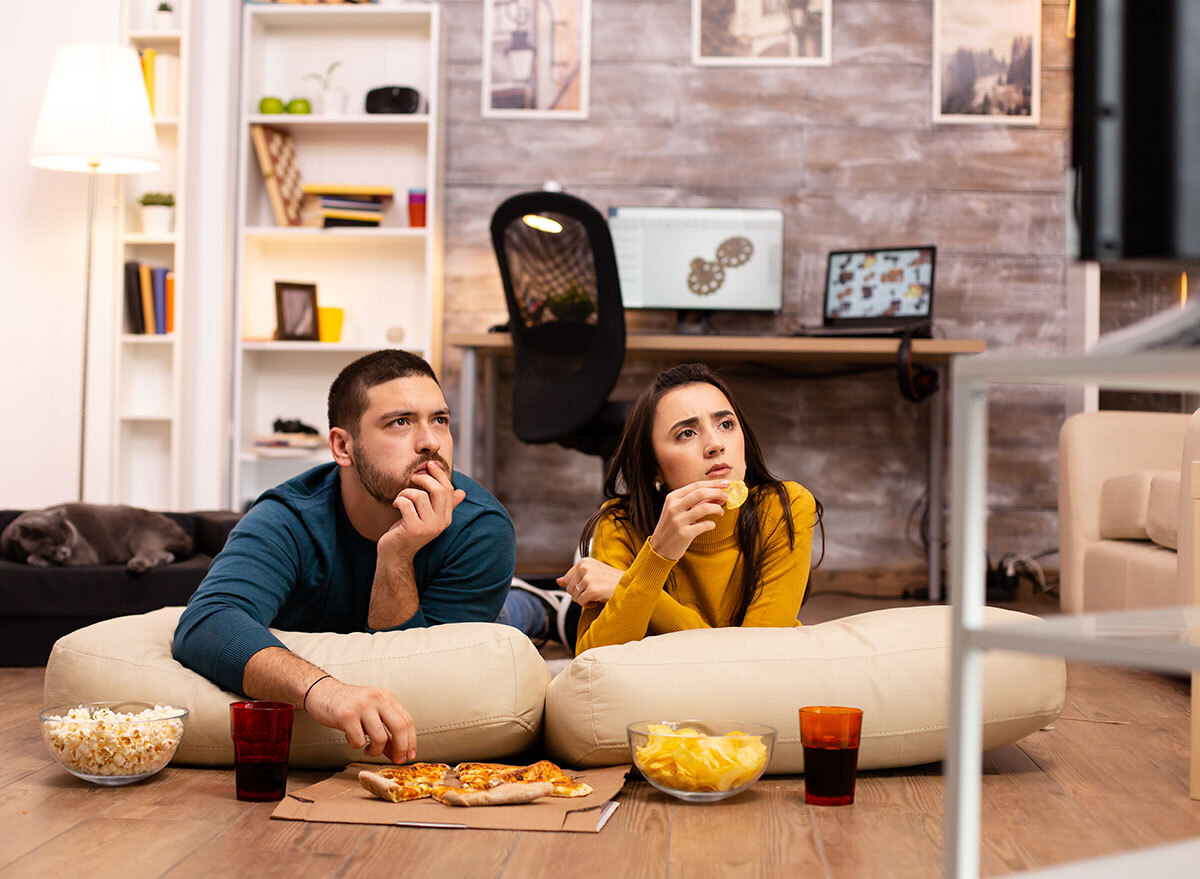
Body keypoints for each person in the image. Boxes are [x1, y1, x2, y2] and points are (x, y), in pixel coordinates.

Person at [173, 349, 544, 765]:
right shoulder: (287, 516)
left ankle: (539, 605)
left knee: (512, 623)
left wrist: (396, 558)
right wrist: (322, 690)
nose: (430, 441)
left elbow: (427, 678)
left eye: (439, 420)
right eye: (400, 422)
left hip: (457, 604)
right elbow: (207, 622)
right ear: (343, 446)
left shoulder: (480, 525)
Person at [556, 362, 824, 655]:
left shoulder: (786, 507)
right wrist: (659, 553)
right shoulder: (618, 523)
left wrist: (628, 585)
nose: (715, 444)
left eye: (726, 424)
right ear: (654, 468)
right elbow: (592, 660)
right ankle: (548, 608)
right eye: (686, 433)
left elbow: (757, 658)